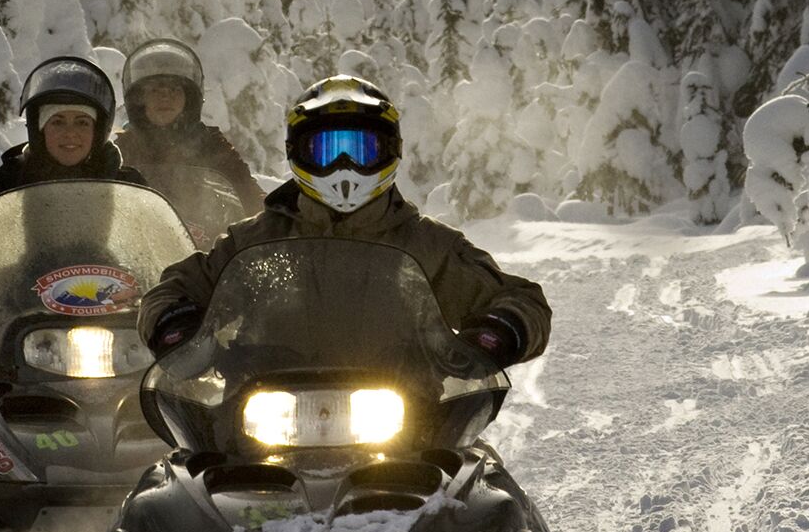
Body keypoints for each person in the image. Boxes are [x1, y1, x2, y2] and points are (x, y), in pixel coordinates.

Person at [138, 74, 551, 366]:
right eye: (326, 150)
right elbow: (177, 286)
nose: (344, 166)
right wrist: (174, 321)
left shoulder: (427, 245)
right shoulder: (253, 241)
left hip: (408, 428)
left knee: (482, 487)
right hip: (261, 423)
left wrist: (499, 330)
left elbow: (521, 299)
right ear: (298, 153)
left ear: (390, 151)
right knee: (173, 486)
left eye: (361, 149)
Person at [0, 55, 145, 260]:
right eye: (58, 122)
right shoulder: (12, 180)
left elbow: (159, 252)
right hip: (23, 287)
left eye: (82, 122)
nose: (70, 133)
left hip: (118, 286)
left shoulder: (127, 185)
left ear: (98, 131)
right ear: (39, 130)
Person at [113, 38, 267, 225]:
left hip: (207, 249)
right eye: (154, 90)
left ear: (189, 99)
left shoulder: (212, 147)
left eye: (174, 90)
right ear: (139, 99)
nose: (165, 97)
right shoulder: (122, 150)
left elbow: (252, 198)